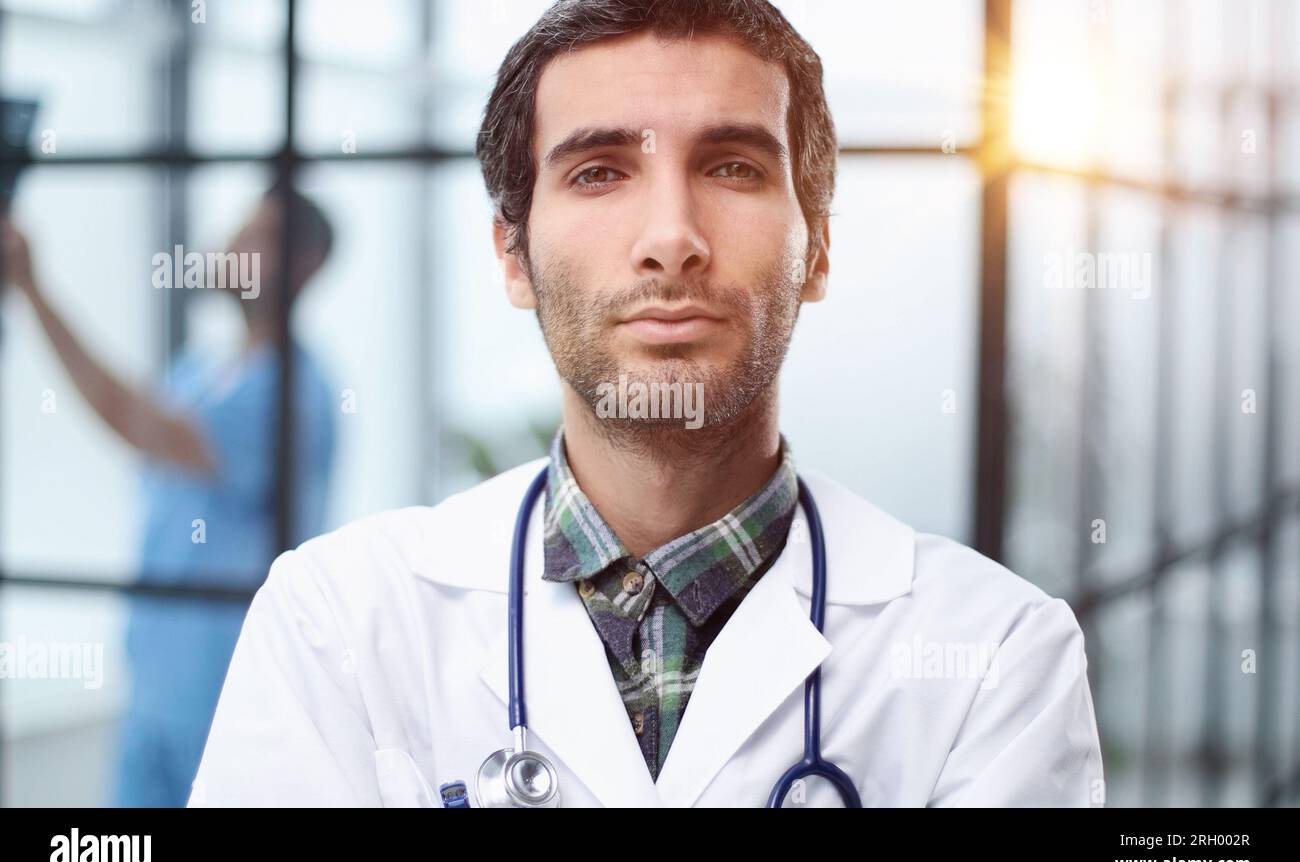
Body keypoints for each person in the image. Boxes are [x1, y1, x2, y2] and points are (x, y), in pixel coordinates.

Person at [190, 0, 1104, 808]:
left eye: (733, 167)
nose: (672, 239)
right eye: (599, 171)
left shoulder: (993, 656)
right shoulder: (338, 622)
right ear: (513, 256)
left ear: (817, 249)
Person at [1, 184, 338, 807]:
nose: (234, 244)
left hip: (222, 692)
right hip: (156, 683)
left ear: (302, 265)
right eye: (239, 227)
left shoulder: (291, 392)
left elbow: (133, 420)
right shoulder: (201, 370)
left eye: (257, 237)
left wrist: (33, 290)